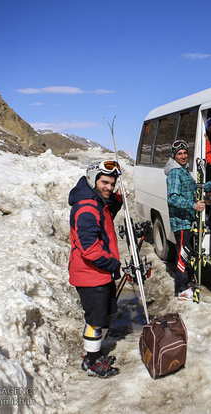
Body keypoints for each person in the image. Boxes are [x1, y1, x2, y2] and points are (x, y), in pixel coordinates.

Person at [68, 160, 123, 378]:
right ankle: (91, 362)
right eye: (105, 182)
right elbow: (89, 248)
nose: (109, 187)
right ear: (93, 180)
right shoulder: (86, 208)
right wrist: (112, 264)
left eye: (112, 183)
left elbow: (108, 214)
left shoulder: (98, 202)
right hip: (90, 275)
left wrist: (118, 198)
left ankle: (96, 352)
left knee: (107, 313)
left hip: (101, 274)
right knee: (95, 320)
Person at [164, 140, 211, 300]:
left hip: (188, 221)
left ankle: (186, 284)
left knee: (187, 254)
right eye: (179, 154)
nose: (183, 156)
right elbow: (172, 198)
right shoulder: (174, 173)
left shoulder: (184, 171)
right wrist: (193, 205)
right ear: (174, 156)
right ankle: (181, 289)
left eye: (185, 153)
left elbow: (196, 188)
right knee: (183, 255)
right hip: (180, 222)